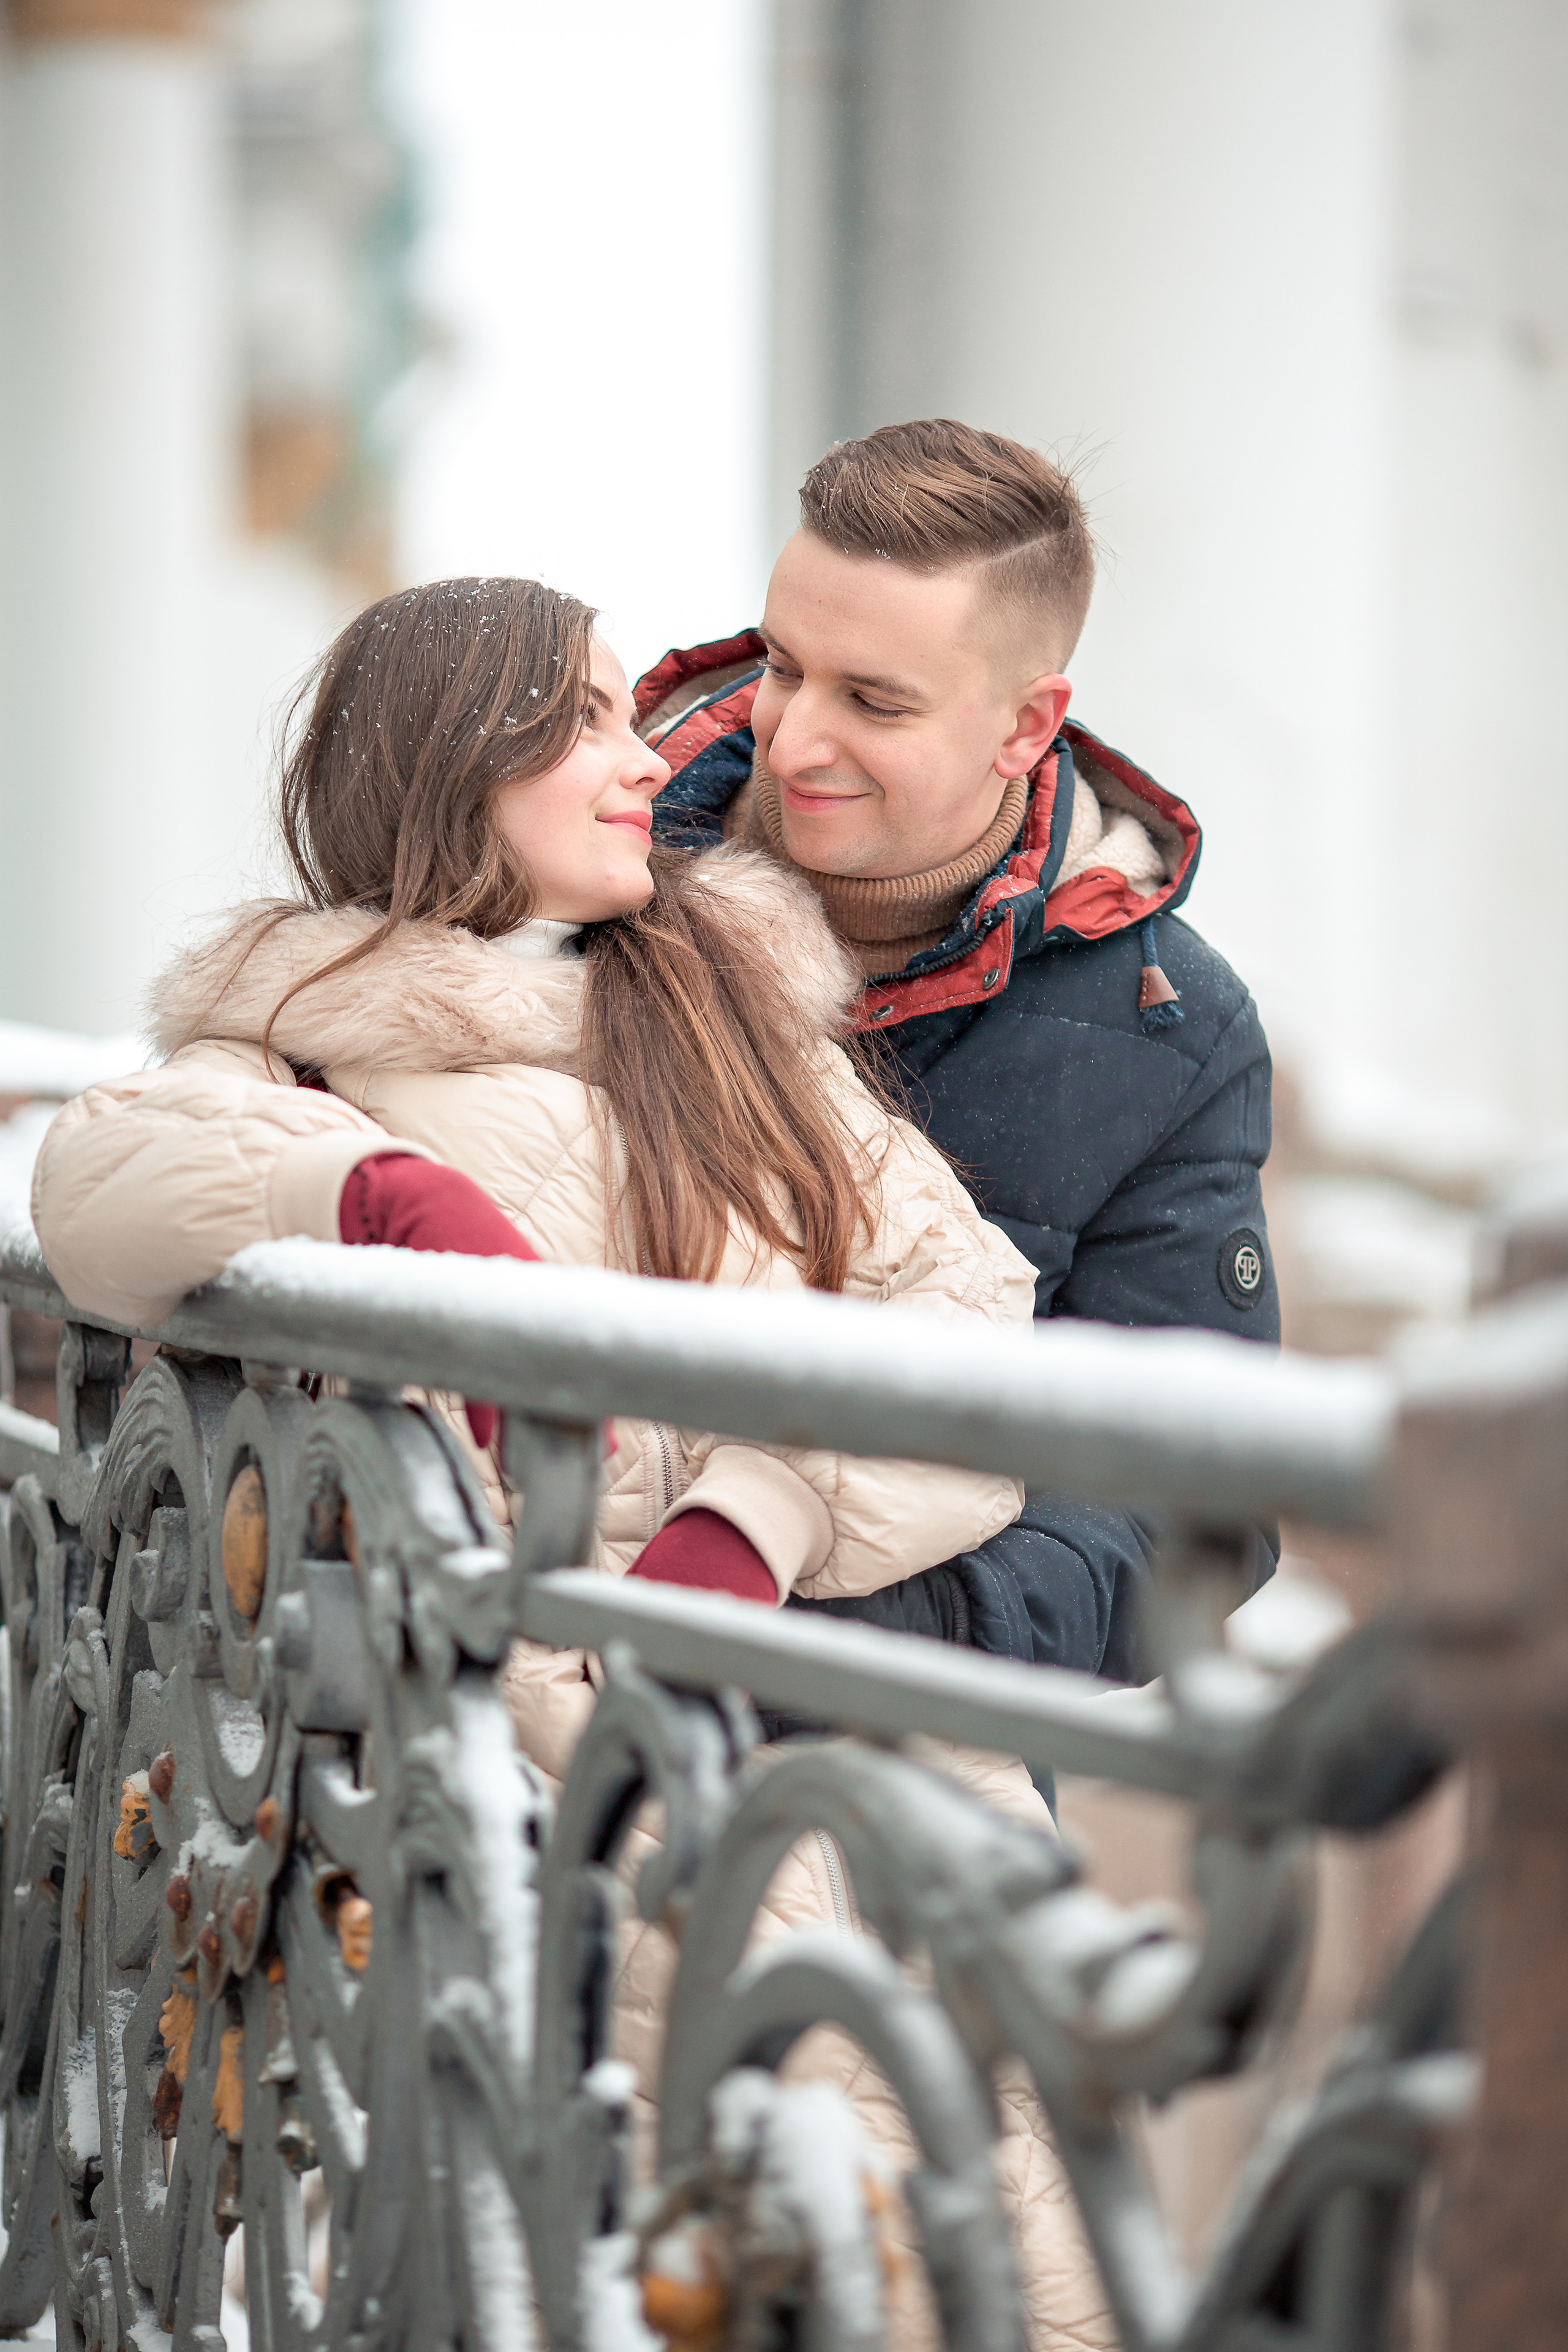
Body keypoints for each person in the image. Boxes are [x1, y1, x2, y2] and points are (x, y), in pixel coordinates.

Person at [31, 576, 1115, 2351]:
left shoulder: (720, 1001)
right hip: (517, 1780)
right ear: (458, 767)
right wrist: (371, 1191)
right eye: (589, 721)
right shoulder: (298, 1032)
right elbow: (93, 1192)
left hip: (843, 1717)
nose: (650, 766)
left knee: (980, 2236)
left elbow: (966, 1304)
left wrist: (752, 1518)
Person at [637, 418, 1280, 1684]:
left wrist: (868, 1639)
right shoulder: (580, 869)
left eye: (874, 702)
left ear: (1024, 725)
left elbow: (1193, 1510)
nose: (792, 736)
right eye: (781, 665)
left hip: (879, 1803)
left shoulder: (1172, 1035)